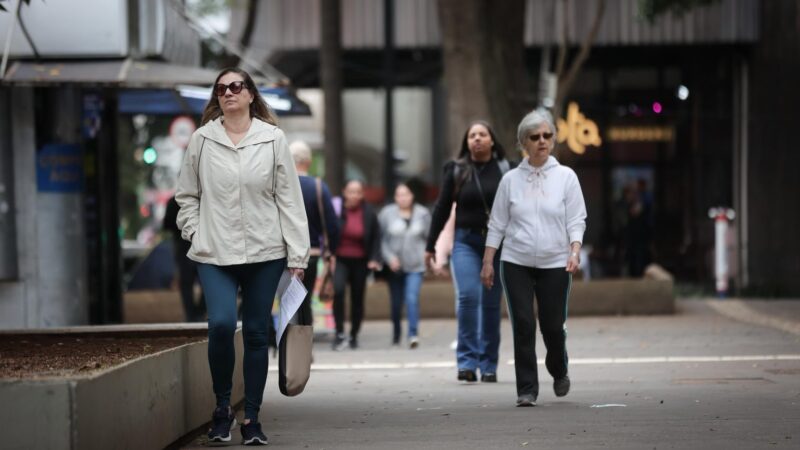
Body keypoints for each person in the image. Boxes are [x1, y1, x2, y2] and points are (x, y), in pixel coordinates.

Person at [175, 68, 309, 445]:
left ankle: (251, 416)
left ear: (251, 94)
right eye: (221, 88)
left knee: (254, 332)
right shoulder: (202, 140)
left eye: (236, 86)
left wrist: (298, 256)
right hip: (213, 250)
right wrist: (194, 231)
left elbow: (289, 200)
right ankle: (222, 409)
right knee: (219, 324)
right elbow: (186, 195)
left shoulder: (273, 139)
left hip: (265, 251)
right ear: (217, 97)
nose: (229, 92)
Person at [480, 108, 587, 407]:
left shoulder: (566, 177)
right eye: (535, 137)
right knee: (523, 323)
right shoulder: (510, 180)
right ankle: (526, 389)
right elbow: (497, 224)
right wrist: (488, 261)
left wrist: (574, 251)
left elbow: (576, 219)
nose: (542, 141)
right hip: (515, 261)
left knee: (552, 325)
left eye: (547, 135)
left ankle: (559, 369)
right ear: (522, 143)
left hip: (556, 261)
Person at [425, 120, 514, 383]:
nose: (476, 139)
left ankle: (488, 365)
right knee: (467, 297)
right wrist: (430, 246)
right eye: (472, 135)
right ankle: (466, 362)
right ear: (466, 142)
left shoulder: (506, 169)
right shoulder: (456, 170)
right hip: (465, 243)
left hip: (497, 245)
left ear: (491, 140)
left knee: (490, 304)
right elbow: (441, 208)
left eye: (482, 134)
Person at [289, 140, 341, 325]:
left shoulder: (281, 185)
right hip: (311, 254)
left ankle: (285, 343)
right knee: (305, 301)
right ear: (309, 162)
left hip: (282, 255)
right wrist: (330, 251)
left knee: (287, 302)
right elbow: (332, 225)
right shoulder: (318, 187)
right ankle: (304, 344)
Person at [378, 182, 431, 348]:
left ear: (412, 196)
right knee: (395, 303)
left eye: (406, 194)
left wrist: (429, 256)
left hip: (416, 265)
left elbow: (429, 238)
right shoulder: (386, 214)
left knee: (411, 298)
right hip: (394, 267)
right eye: (399, 195)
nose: (403, 198)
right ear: (395, 197)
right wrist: (389, 258)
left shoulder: (423, 213)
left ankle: (413, 334)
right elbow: (381, 240)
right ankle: (396, 333)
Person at [332, 179, 381, 350]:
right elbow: (329, 231)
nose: (354, 195)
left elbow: (376, 237)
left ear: (362, 194)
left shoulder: (369, 212)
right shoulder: (337, 210)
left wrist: (375, 258)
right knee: (338, 291)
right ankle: (339, 332)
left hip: (361, 260)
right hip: (340, 259)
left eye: (358, 192)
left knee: (357, 298)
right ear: (344, 192)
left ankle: (354, 334)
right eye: (351, 191)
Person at [163, 194, 205, 322]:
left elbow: (166, 224)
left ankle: (192, 314)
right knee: (205, 280)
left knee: (187, 283)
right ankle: (197, 312)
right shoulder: (204, 199)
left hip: (183, 246)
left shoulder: (174, 201)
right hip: (200, 245)